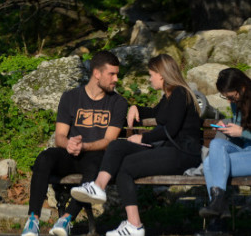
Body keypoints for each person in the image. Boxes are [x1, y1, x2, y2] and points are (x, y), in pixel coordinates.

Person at [69, 54, 202, 236]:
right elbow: (154, 112)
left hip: (183, 153)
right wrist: (135, 108)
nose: (150, 78)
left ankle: (135, 225)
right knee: (117, 146)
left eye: (151, 74)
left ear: (161, 75)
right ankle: (99, 187)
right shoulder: (169, 96)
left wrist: (142, 139)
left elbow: (171, 129)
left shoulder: (180, 93)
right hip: (168, 149)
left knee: (126, 167)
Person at [22, 51, 127, 236]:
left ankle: (66, 220)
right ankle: (32, 220)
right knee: (44, 158)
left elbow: (109, 140)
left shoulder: (118, 103)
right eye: (112, 74)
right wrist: (69, 143)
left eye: (117, 74)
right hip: (70, 155)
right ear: (97, 73)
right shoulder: (70, 97)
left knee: (95, 164)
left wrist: (85, 146)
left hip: (95, 155)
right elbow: (59, 136)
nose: (116, 79)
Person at [198, 68, 251, 223]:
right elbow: (243, 132)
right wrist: (228, 127)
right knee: (215, 147)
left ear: (242, 87)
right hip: (249, 153)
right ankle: (219, 208)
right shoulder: (238, 102)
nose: (229, 101)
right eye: (226, 98)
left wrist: (242, 132)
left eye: (231, 97)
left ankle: (218, 220)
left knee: (211, 164)